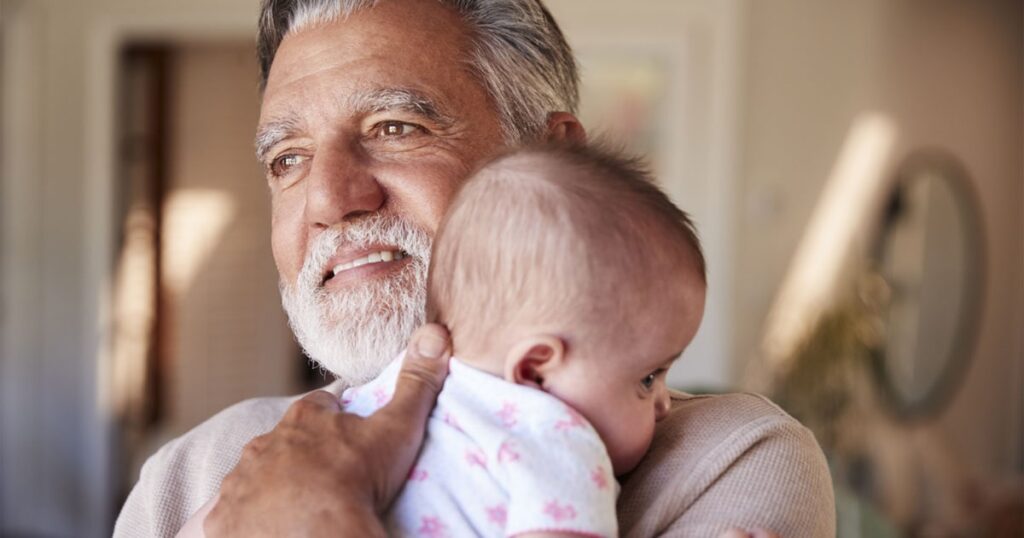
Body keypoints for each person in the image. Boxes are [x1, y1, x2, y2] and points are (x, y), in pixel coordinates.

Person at [114, 0, 836, 536]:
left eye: (396, 128)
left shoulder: (729, 459)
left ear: (554, 156)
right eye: (288, 160)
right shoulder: (193, 471)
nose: (330, 199)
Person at [178, 142, 708, 537]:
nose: (663, 404)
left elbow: (215, 520)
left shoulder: (364, 407)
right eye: (646, 377)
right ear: (534, 370)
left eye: (395, 129)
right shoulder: (559, 440)